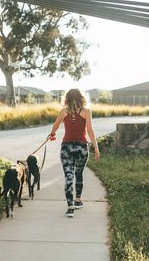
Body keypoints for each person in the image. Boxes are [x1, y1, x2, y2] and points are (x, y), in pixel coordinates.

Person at [49, 89, 100, 218]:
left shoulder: (63, 111)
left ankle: (70, 208)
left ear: (67, 98)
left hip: (66, 148)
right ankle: (77, 200)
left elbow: (55, 125)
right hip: (81, 148)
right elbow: (90, 131)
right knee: (79, 173)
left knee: (68, 177)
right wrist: (96, 148)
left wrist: (53, 134)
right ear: (81, 98)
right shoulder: (86, 111)